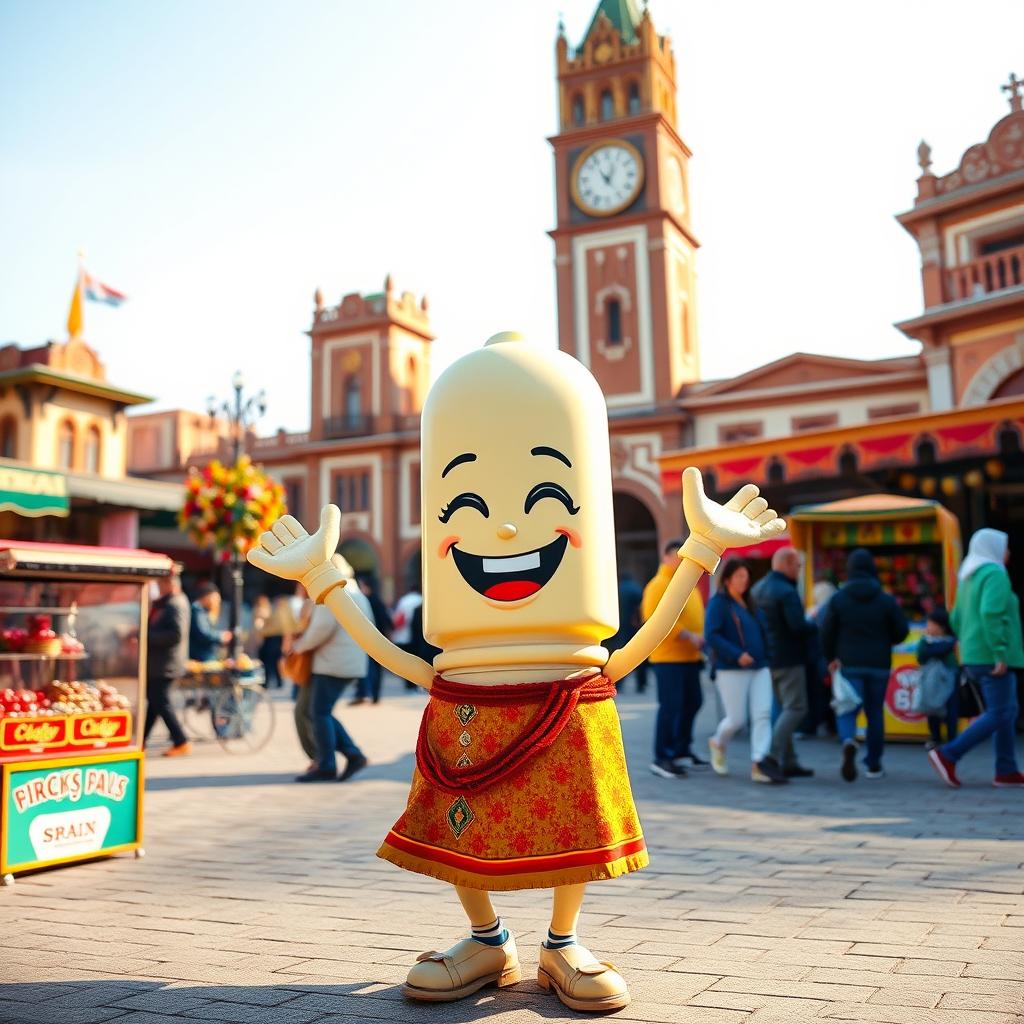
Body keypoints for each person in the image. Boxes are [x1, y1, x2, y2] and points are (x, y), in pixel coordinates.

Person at [929, 528, 1024, 788]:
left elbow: (956, 617)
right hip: (992, 656)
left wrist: (968, 642)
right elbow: (991, 613)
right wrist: (999, 652)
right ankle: (948, 754)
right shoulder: (995, 574)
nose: (1008, 552)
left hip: (973, 654)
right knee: (1000, 712)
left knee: (1006, 711)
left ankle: (1006, 769)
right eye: (1004, 546)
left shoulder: (968, 576)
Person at [820, 548, 908, 783]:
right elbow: (902, 631)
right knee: (875, 713)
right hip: (879, 665)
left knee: (846, 708)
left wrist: (830, 657)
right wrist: (886, 639)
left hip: (848, 664)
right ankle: (874, 765)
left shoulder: (838, 599)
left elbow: (826, 632)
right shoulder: (886, 599)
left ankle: (849, 740)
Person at [291, 554, 373, 782]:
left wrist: (298, 647)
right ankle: (348, 756)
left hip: (331, 662)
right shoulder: (357, 593)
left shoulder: (332, 590)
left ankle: (332, 762)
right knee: (319, 711)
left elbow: (321, 628)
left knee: (319, 712)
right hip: (349, 661)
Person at [705, 558, 785, 784]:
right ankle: (718, 742)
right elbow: (712, 635)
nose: (744, 580)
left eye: (746, 576)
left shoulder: (751, 602)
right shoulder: (719, 603)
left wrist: (769, 656)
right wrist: (736, 654)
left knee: (763, 714)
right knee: (737, 719)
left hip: (760, 666)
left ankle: (759, 763)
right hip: (731, 668)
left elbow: (764, 631)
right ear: (727, 579)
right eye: (739, 576)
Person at [642, 539, 706, 778]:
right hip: (668, 658)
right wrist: (687, 635)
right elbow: (654, 618)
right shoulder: (658, 585)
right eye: (678, 557)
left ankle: (681, 750)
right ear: (666, 557)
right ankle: (662, 757)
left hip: (691, 656)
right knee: (671, 706)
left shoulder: (688, 583)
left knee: (693, 702)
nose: (682, 562)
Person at [756, 548, 815, 778]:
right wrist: (814, 623)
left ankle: (790, 761)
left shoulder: (758, 588)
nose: (799, 570)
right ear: (788, 564)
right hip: (789, 658)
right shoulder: (787, 592)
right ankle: (771, 756)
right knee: (796, 708)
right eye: (798, 566)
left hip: (768, 659)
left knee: (783, 709)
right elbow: (797, 626)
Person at [144, 564, 192, 756]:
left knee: (160, 702)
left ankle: (181, 740)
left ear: (169, 583)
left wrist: (146, 636)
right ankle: (141, 740)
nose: (159, 587)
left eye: (161, 584)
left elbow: (175, 635)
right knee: (155, 702)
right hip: (160, 663)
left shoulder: (175, 603)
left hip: (166, 664)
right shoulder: (166, 602)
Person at [916, 608, 959, 751]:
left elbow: (934, 653)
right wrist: (938, 649)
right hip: (929, 679)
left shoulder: (952, 641)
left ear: (942, 627)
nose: (928, 627)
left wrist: (933, 650)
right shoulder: (925, 641)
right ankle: (935, 737)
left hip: (949, 678)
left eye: (931, 624)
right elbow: (921, 656)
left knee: (951, 708)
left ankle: (952, 738)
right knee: (932, 708)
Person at [351, 574, 394, 704]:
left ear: (366, 587)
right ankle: (375, 695)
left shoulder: (366, 601)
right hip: (379, 639)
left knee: (370, 667)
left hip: (369, 639)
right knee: (377, 668)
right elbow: (388, 621)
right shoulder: (378, 600)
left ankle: (367, 693)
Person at [607, 573, 645, 692]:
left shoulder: (616, 589)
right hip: (633, 626)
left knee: (619, 654)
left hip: (618, 627)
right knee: (637, 654)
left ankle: (618, 683)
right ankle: (641, 684)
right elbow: (641, 607)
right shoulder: (636, 589)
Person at [258, 594, 296, 689]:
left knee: (269, 661)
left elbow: (268, 628)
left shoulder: (278, 613)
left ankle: (268, 682)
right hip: (278, 639)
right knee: (275, 661)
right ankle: (278, 682)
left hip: (272, 639)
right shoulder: (285, 612)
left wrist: (262, 631)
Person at [392, 580, 423, 691]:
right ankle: (419, 683)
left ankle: (409, 684)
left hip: (404, 635)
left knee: (408, 661)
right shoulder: (421, 600)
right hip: (419, 636)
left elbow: (398, 617)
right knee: (419, 660)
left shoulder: (404, 600)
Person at [189, 581, 231, 662]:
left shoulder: (202, 611)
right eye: (215, 598)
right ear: (207, 597)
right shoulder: (197, 610)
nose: (217, 602)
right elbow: (204, 633)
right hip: (200, 656)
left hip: (203, 655)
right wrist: (221, 636)